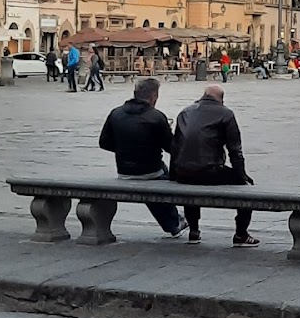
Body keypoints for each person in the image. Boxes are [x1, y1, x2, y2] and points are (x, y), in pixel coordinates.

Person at [170, 84, 257, 246]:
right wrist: (242, 176)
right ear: (221, 100)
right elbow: (235, 150)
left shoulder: (185, 112)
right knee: (246, 189)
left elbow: (175, 147)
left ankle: (194, 230)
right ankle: (241, 233)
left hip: (183, 172)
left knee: (191, 185)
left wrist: (174, 175)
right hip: (210, 171)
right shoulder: (226, 114)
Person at [99, 78, 187, 238]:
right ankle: (174, 222)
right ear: (153, 96)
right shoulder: (157, 117)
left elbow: (104, 142)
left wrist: (122, 148)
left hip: (124, 171)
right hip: (151, 171)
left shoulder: (116, 113)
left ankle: (174, 222)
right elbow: (171, 148)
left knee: (156, 178)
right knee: (161, 177)